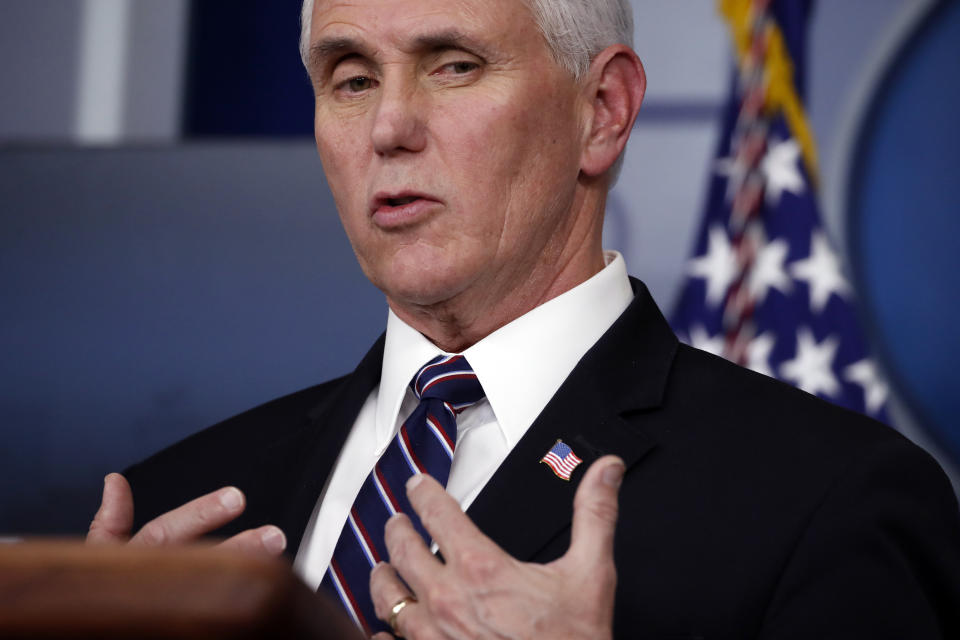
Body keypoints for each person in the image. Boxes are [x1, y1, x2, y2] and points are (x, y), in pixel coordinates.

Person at [88, 0, 960, 638]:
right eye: (350, 78)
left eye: (454, 65)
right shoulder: (175, 514)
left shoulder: (830, 502)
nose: (388, 125)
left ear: (603, 112)